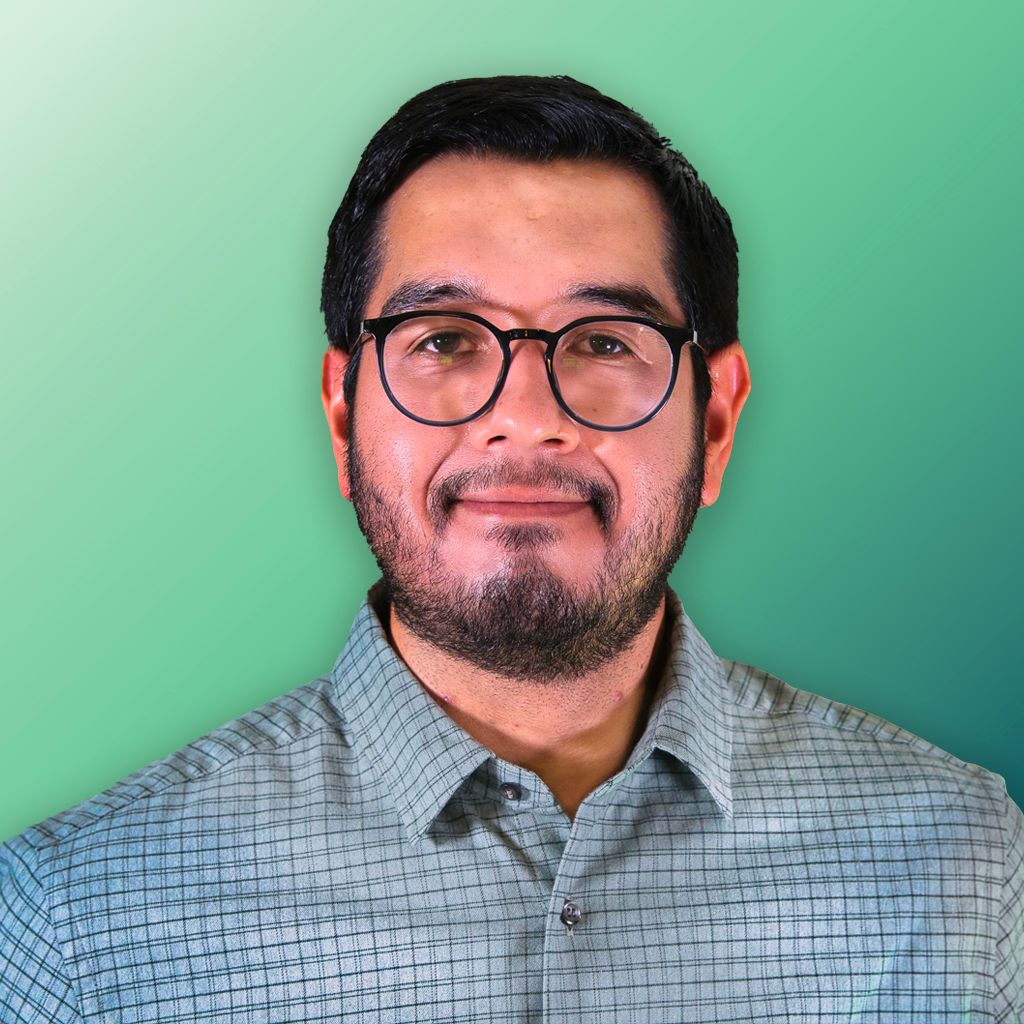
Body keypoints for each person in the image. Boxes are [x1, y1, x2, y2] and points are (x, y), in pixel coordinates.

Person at [1, 74, 1020, 1022]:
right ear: (343, 416)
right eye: (443, 340)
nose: (526, 418)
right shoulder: (72, 922)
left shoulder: (960, 861)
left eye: (606, 342)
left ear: (714, 423)